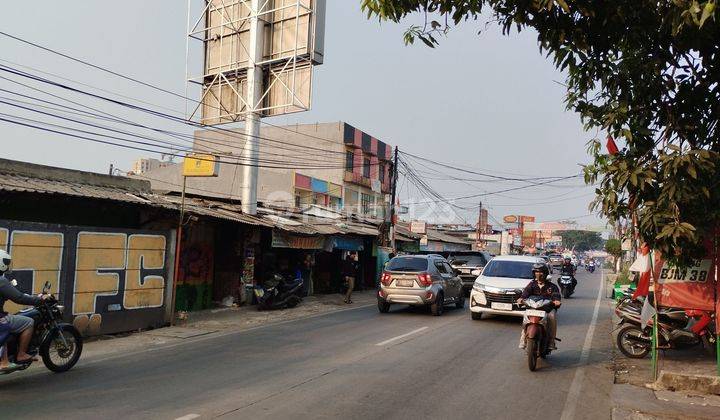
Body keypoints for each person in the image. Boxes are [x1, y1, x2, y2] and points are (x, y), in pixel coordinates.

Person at [0, 249, 49, 364]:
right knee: (28, 322)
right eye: (6, 262)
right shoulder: (1, 281)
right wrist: (39, 300)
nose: (8, 265)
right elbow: (19, 298)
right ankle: (21, 354)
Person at [517, 263, 562, 349]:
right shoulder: (532, 284)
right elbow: (525, 293)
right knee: (525, 317)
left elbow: (556, 295)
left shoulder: (552, 286)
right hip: (533, 308)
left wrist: (556, 301)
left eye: (541, 272)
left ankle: (551, 341)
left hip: (547, 309)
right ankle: (523, 337)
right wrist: (521, 299)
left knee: (552, 317)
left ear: (545, 274)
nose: (538, 274)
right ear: (534, 273)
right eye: (536, 272)